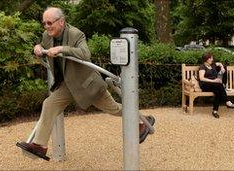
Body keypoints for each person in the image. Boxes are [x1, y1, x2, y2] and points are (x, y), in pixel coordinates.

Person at [16, 7, 155, 160]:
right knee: (49, 104)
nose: (47, 27)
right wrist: (38, 47)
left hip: (87, 85)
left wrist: (62, 49)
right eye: (44, 24)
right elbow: (43, 46)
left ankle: (144, 120)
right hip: (68, 85)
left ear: (61, 22)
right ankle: (40, 146)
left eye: (49, 23)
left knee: (113, 109)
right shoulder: (47, 35)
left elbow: (85, 54)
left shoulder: (76, 34)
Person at [199, 52, 234, 118]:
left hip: (214, 85)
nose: (212, 59)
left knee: (218, 92)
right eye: (211, 58)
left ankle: (215, 111)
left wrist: (222, 67)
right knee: (219, 85)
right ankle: (227, 102)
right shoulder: (202, 67)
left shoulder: (212, 65)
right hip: (205, 85)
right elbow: (201, 78)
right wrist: (213, 80)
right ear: (207, 59)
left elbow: (219, 63)